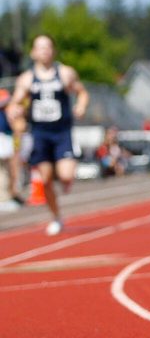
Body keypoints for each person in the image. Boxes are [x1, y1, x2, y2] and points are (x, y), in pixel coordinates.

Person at [6, 35, 90, 235]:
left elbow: (82, 92)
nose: (44, 51)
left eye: (47, 47)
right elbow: (15, 102)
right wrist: (15, 111)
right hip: (40, 133)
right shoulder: (26, 78)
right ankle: (56, 217)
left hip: (62, 131)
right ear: (33, 53)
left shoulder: (65, 73)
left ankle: (65, 178)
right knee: (45, 181)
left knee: (66, 174)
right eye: (40, 47)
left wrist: (81, 105)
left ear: (53, 51)